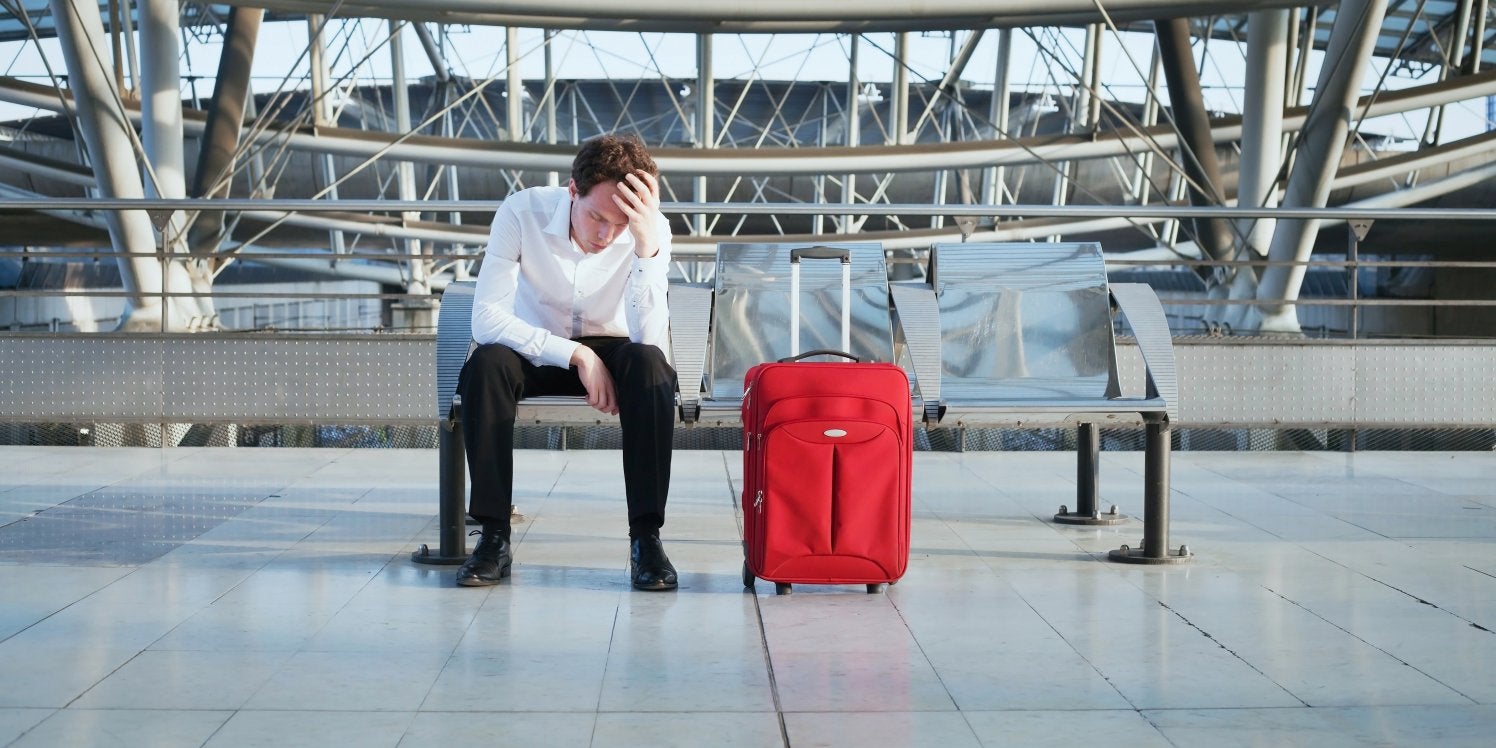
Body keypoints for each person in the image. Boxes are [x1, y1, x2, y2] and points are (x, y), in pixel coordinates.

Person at [455, 134, 678, 591]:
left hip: (616, 348)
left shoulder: (648, 230)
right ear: (572, 189)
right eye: (597, 216)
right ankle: (493, 536)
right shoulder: (522, 212)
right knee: (486, 366)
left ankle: (647, 540)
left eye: (619, 224)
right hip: (536, 346)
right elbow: (486, 319)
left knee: (650, 367)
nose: (604, 235)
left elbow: (649, 337)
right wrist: (576, 354)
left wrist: (644, 247)